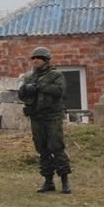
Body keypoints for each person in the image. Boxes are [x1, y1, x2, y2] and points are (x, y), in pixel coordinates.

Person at [18, 46, 72, 194]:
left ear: (46, 60)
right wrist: (25, 89)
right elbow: (21, 95)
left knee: (56, 147)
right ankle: (48, 181)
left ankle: (65, 180)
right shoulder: (29, 77)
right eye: (33, 58)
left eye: (39, 58)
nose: (35, 60)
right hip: (36, 117)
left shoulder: (56, 75)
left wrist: (39, 86)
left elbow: (59, 91)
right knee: (42, 149)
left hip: (52, 116)